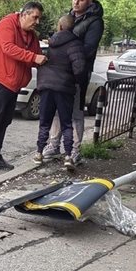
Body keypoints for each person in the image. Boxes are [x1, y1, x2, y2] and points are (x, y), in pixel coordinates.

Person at [0, 1, 48, 177]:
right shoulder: (7, 24)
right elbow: (8, 48)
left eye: (38, 18)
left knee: (4, 120)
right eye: (35, 17)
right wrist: (33, 57)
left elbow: (37, 57)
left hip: (13, 85)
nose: (37, 22)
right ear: (24, 14)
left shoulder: (31, 35)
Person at [42, 0, 104, 166]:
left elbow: (88, 49)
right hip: (60, 72)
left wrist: (64, 52)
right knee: (56, 110)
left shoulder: (94, 22)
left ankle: (75, 150)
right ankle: (54, 145)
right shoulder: (68, 17)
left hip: (77, 73)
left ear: (89, 2)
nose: (76, 2)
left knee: (76, 111)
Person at [33, 15, 87, 168]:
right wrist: (75, 80)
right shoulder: (75, 44)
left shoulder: (51, 43)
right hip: (64, 88)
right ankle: (69, 156)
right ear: (72, 27)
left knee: (45, 122)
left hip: (46, 86)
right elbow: (79, 68)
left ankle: (39, 153)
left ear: (60, 26)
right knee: (66, 123)